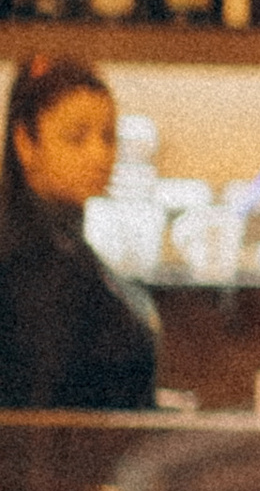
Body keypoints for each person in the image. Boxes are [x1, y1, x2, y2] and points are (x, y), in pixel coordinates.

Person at [0, 56, 157, 411]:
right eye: (76, 137)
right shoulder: (29, 258)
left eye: (108, 136)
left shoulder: (63, 242)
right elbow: (39, 408)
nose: (100, 155)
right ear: (25, 142)